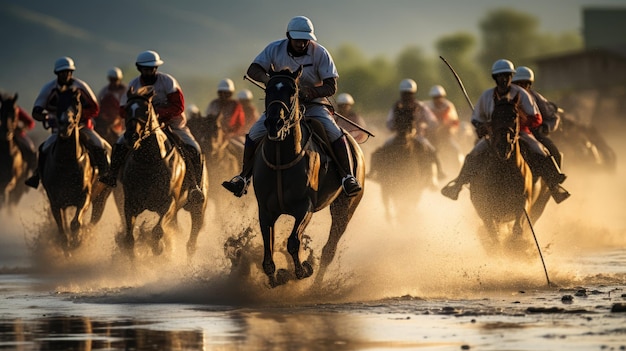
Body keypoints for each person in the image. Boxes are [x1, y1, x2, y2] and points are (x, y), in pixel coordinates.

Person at [222, 15, 362, 197]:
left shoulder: (320, 53)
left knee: (335, 133)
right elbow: (253, 69)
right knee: (255, 133)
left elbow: (331, 86)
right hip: (282, 106)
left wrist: (309, 92)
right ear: (289, 36)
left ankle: (347, 177)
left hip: (313, 106)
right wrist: (269, 80)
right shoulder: (274, 48)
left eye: (305, 40)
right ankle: (243, 178)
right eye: (298, 39)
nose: (302, 43)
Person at [440, 59, 570, 203]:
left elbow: (537, 118)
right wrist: (483, 126)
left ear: (510, 77)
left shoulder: (521, 94)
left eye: (507, 76)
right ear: (495, 78)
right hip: (494, 134)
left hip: (520, 133)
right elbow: (476, 118)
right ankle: (457, 186)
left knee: (541, 150)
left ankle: (554, 186)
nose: (503, 79)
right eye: (500, 76)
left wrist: (518, 122)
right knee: (473, 154)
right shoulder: (486, 96)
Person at [98, 50, 205, 204]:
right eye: (145, 68)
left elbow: (179, 105)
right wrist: (138, 118)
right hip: (142, 126)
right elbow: (123, 108)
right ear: (139, 68)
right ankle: (112, 176)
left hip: (172, 123)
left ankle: (195, 186)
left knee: (193, 148)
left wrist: (159, 115)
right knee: (120, 144)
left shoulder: (167, 82)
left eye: (152, 68)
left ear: (156, 68)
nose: (149, 71)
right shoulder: (134, 85)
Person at [25, 56, 110, 188]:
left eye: (68, 72)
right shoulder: (49, 88)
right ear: (57, 74)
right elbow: (37, 110)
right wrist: (46, 117)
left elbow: (95, 108)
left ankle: (106, 175)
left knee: (99, 144)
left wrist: (78, 118)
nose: (66, 75)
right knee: (43, 148)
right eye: (63, 73)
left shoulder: (81, 86)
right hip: (59, 129)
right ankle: (37, 176)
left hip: (82, 127)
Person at [385, 78, 446, 179]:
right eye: (405, 93)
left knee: (431, 151)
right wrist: (393, 127)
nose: (407, 96)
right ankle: (379, 173)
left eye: (409, 93)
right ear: (401, 93)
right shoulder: (396, 106)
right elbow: (389, 122)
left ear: (413, 93)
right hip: (399, 136)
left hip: (417, 136)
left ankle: (437, 173)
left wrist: (426, 128)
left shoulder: (420, 106)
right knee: (383, 149)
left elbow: (432, 121)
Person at [512, 66, 563, 167]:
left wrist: (545, 127)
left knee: (554, 152)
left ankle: (553, 181)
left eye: (524, 83)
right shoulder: (505, 97)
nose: (521, 86)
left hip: (534, 133)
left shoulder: (536, 98)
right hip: (508, 133)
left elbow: (553, 117)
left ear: (529, 85)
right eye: (518, 83)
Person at [95, 67, 127, 142]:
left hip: (122, 118)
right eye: (112, 80)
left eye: (115, 80)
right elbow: (100, 105)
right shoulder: (104, 92)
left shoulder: (126, 90)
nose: (114, 82)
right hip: (106, 120)